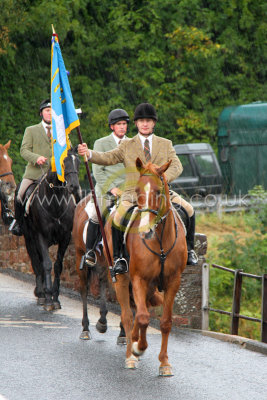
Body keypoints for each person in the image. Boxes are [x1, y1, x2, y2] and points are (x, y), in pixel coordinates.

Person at [78, 103, 198, 275]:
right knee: (118, 218)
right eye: (141, 121)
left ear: (154, 123)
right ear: (136, 124)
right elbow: (108, 157)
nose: (145, 124)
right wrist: (89, 154)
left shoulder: (165, 144)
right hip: (133, 195)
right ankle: (119, 258)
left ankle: (190, 250)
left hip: (160, 193)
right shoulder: (127, 145)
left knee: (189, 209)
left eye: (149, 121)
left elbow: (177, 166)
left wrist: (160, 180)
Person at [82, 108, 129, 267]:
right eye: (119, 124)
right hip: (106, 191)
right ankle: (90, 251)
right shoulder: (101, 143)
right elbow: (97, 171)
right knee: (97, 213)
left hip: (128, 192)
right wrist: (112, 189)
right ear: (112, 127)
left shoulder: (133, 143)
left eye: (124, 124)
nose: (122, 127)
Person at [9, 99, 52, 235]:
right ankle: (18, 223)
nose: (50, 113)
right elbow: (24, 150)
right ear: (41, 113)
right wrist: (36, 158)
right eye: (47, 111)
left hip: (55, 174)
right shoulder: (31, 130)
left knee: (75, 193)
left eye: (52, 111)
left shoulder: (61, 131)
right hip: (34, 174)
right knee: (20, 195)